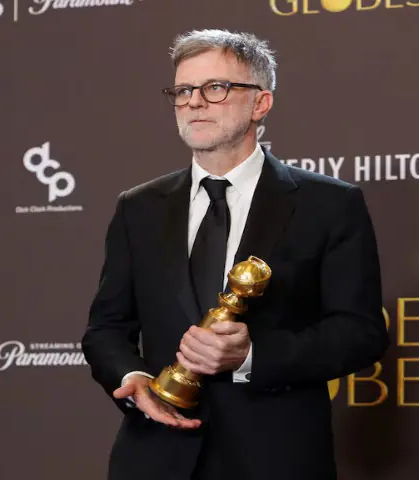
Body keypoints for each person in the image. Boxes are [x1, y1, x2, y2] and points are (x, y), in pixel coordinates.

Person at [81, 29, 389, 480]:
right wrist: (131, 378)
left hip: (276, 458)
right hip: (157, 456)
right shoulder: (139, 207)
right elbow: (106, 328)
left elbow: (361, 333)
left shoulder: (329, 204)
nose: (194, 102)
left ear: (260, 104)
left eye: (216, 88)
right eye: (183, 90)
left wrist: (251, 356)